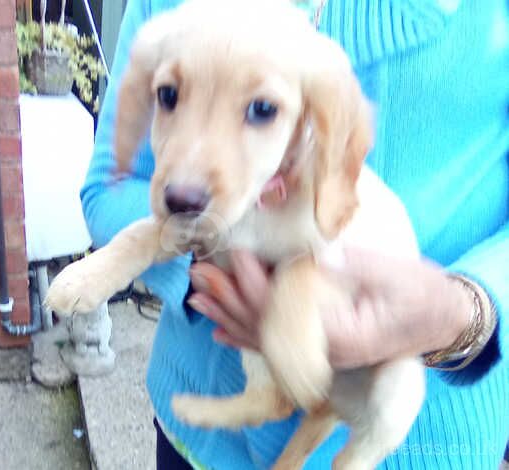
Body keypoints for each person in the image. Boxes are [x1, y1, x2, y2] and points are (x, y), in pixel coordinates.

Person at [80, 0, 508, 468]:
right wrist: (225, 262)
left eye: (263, 108)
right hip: (204, 443)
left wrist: (466, 311)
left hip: (429, 444)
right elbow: (109, 189)